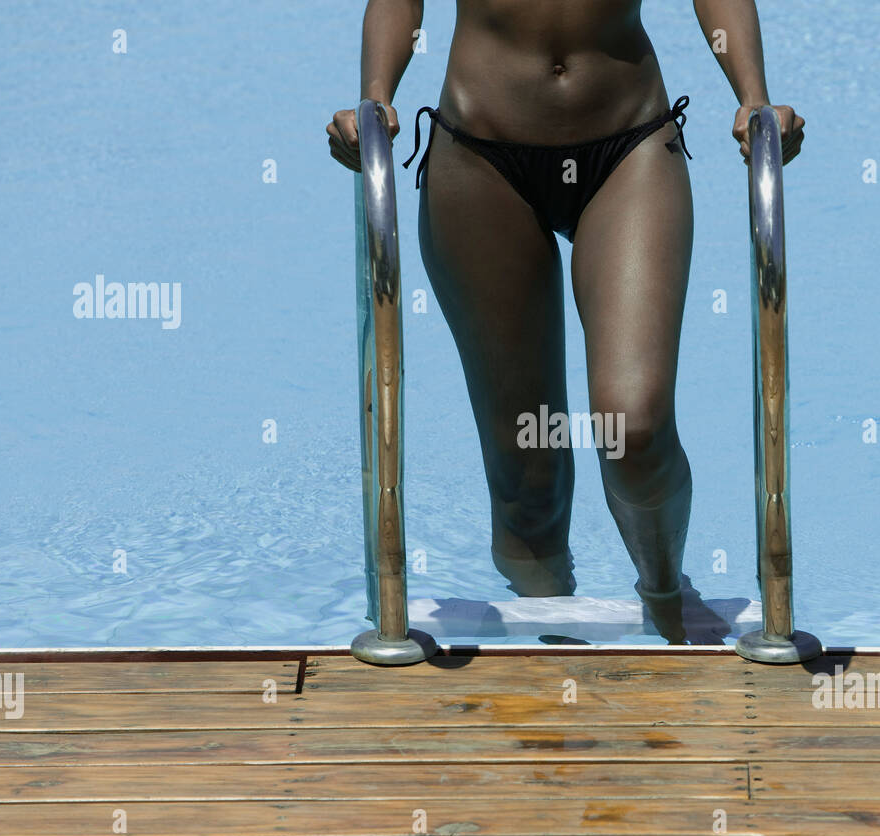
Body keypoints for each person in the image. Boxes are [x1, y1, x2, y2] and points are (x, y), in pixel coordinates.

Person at [328, 0, 803, 642]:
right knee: (528, 474)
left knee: (634, 427)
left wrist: (754, 98)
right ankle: (555, 653)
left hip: (629, 140)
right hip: (480, 153)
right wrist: (375, 98)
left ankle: (666, 601)